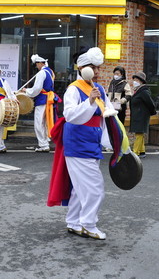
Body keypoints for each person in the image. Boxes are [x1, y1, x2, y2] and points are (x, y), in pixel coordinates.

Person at [47, 47, 115, 240]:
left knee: (80, 187)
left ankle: (74, 222)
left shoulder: (99, 89)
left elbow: (107, 115)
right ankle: (89, 224)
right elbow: (69, 115)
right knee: (95, 188)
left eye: (98, 68)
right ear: (83, 68)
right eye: (93, 68)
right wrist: (90, 103)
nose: (97, 72)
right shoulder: (73, 89)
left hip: (92, 142)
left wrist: (112, 142)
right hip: (77, 143)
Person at [23, 54, 56, 152]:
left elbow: (37, 88)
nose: (36, 66)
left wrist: (26, 91)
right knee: (44, 122)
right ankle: (45, 142)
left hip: (42, 99)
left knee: (39, 123)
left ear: (41, 63)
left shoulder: (42, 73)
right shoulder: (50, 71)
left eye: (37, 64)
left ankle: (43, 145)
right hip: (48, 99)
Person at [129, 72, 156, 158]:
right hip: (138, 115)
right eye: (134, 80)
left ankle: (135, 152)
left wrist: (152, 112)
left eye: (136, 80)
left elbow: (150, 103)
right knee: (139, 133)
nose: (134, 81)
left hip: (141, 115)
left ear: (141, 81)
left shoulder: (144, 91)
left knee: (139, 134)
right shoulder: (138, 90)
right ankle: (141, 151)